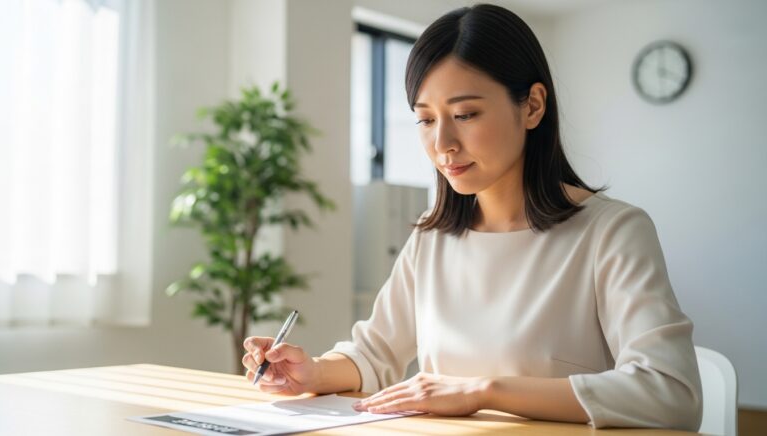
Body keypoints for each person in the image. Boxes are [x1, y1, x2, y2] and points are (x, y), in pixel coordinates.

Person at [242, 3, 702, 431]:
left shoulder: (612, 232)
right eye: (426, 119)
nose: (443, 143)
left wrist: (483, 391)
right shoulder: (433, 237)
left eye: (465, 114)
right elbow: (374, 352)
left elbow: (671, 392)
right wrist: (312, 372)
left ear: (533, 106)